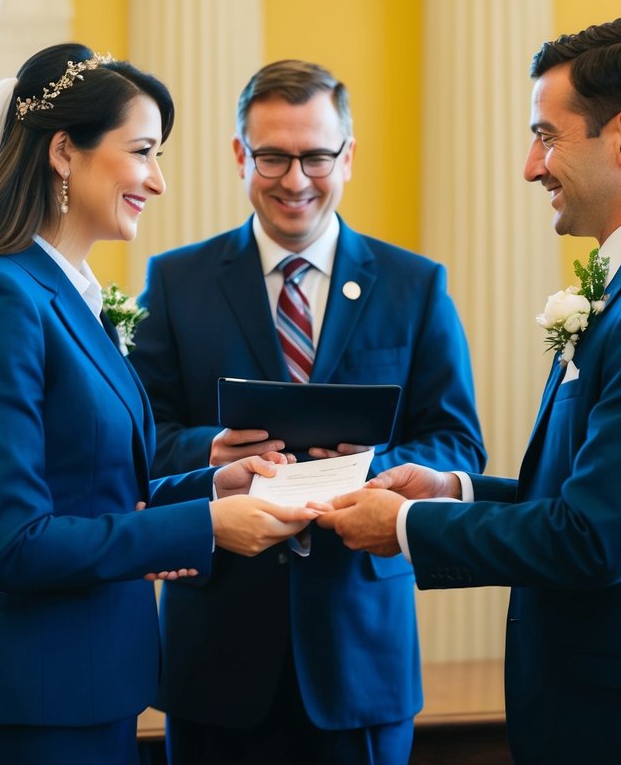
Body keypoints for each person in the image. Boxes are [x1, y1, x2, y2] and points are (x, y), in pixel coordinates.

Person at [318, 18, 621, 764]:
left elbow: (594, 539)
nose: (531, 167)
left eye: (547, 137)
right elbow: (584, 498)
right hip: (598, 711)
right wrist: (449, 491)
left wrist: (402, 528)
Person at [0, 43, 316, 765]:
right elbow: (15, 544)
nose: (157, 181)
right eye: (142, 152)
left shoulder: (67, 296)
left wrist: (209, 482)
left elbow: (91, 487)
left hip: (96, 688)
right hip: (26, 708)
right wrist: (208, 525)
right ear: (65, 152)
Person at [130, 59, 486, 764]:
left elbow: (457, 442)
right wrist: (209, 453)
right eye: (272, 157)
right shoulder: (177, 282)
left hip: (360, 651)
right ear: (240, 155)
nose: (295, 180)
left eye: (316, 156)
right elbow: (142, 440)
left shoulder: (414, 286)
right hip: (217, 652)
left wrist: (372, 471)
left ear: (346, 156)